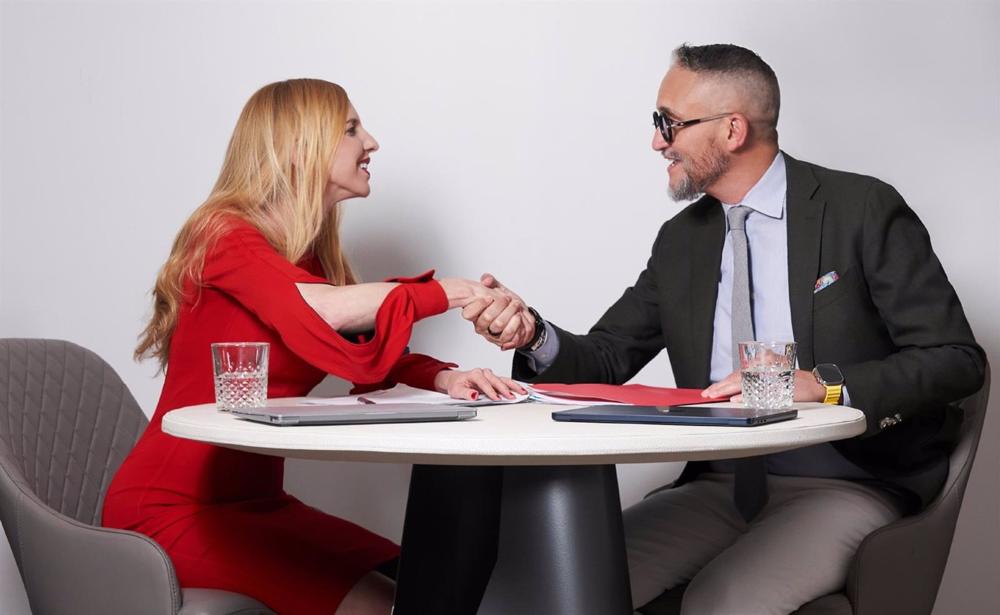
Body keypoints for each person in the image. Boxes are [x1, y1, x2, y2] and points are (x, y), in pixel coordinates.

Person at [467, 44, 985, 614]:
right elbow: (609, 356)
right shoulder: (681, 240)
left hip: (846, 483)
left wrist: (823, 383)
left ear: (733, 130)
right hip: (720, 488)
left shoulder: (861, 209)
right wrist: (532, 334)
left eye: (668, 122)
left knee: (721, 603)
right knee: (544, 591)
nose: (657, 141)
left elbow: (955, 359)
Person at [102, 78, 525, 615]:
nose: (371, 142)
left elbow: (361, 353)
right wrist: (451, 291)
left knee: (428, 585)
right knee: (386, 606)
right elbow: (319, 311)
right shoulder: (223, 235)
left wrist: (445, 377)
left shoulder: (308, 262)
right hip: (172, 510)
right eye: (351, 129)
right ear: (300, 147)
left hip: (259, 504)